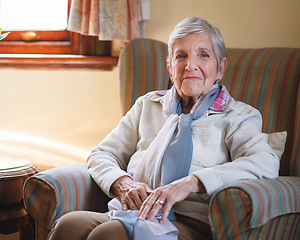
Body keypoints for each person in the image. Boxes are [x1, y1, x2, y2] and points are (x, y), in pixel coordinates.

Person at [48, 17, 279, 240]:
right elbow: (102, 154)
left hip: (189, 223)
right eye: (181, 56)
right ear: (170, 68)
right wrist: (123, 183)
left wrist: (190, 183)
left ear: (221, 68)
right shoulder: (147, 106)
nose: (191, 65)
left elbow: (264, 161)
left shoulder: (237, 116)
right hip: (130, 211)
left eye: (204, 55)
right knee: (69, 226)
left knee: (108, 235)